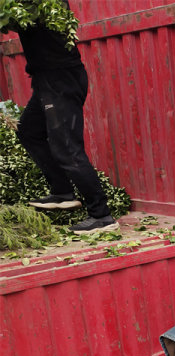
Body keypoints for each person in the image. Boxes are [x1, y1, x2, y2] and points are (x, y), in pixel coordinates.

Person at [16, 10, 118, 233]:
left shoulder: (41, 4)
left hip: (60, 78)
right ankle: (62, 191)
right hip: (46, 78)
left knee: (67, 149)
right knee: (29, 132)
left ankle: (101, 216)